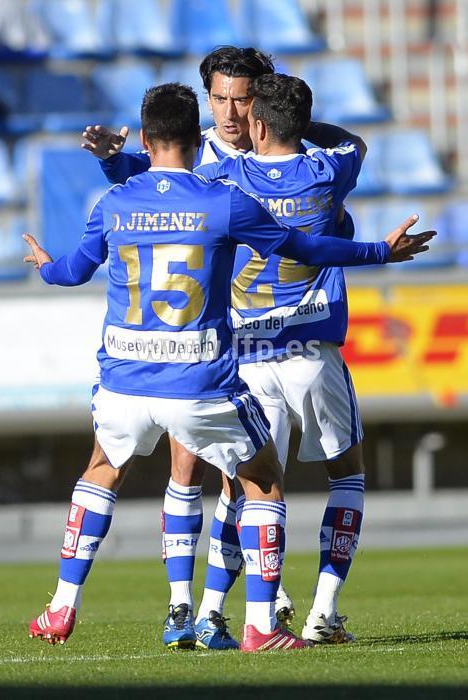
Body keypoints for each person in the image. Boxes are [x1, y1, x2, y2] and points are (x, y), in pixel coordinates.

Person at [25, 83, 432, 653]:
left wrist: (44, 266)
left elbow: (70, 272)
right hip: (198, 378)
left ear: (145, 139)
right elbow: (304, 248)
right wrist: (379, 252)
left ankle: (60, 608)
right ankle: (261, 624)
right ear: (200, 140)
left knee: (100, 471)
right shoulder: (223, 201)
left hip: (123, 379)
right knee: (261, 479)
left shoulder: (115, 203)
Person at [82, 46, 358, 649]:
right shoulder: (200, 154)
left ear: (261, 102)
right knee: (190, 469)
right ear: (207, 98)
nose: (231, 111)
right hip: (206, 343)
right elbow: (141, 180)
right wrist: (110, 161)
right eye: (220, 98)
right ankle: (184, 605)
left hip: (252, 348)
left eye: (242, 98)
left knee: (244, 480)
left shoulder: (292, 155)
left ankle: (233, 605)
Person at [195, 72, 373, 643]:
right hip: (312, 352)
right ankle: (323, 611)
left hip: (247, 357)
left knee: (246, 487)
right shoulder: (329, 171)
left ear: (257, 122)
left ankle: (216, 610)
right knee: (346, 473)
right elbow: (356, 144)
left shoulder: (224, 176)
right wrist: (300, 126)